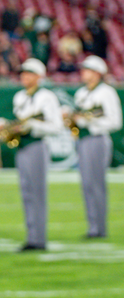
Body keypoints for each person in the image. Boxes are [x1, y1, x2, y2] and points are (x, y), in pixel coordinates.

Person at [3, 58, 63, 251]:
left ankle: (38, 239)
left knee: (37, 193)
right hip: (22, 146)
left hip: (37, 145)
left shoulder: (47, 97)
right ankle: (32, 236)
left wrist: (33, 126)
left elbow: (56, 126)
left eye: (29, 73)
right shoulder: (20, 96)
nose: (24, 77)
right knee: (27, 193)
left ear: (39, 76)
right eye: (22, 73)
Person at [73, 56, 122, 238]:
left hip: (98, 139)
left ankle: (99, 228)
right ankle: (92, 225)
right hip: (83, 141)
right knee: (86, 184)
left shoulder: (106, 92)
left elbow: (115, 121)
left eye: (87, 70)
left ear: (97, 73)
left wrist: (89, 122)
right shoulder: (81, 93)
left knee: (96, 184)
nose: (83, 73)